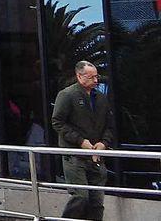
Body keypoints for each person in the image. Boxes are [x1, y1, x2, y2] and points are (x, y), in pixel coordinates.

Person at [51, 60, 113, 220]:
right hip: (75, 156)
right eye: (91, 77)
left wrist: (104, 143)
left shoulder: (101, 97)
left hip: (96, 156)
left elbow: (109, 125)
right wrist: (80, 141)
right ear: (79, 76)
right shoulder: (67, 95)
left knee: (97, 201)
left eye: (97, 77)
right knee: (81, 196)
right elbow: (57, 122)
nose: (96, 81)